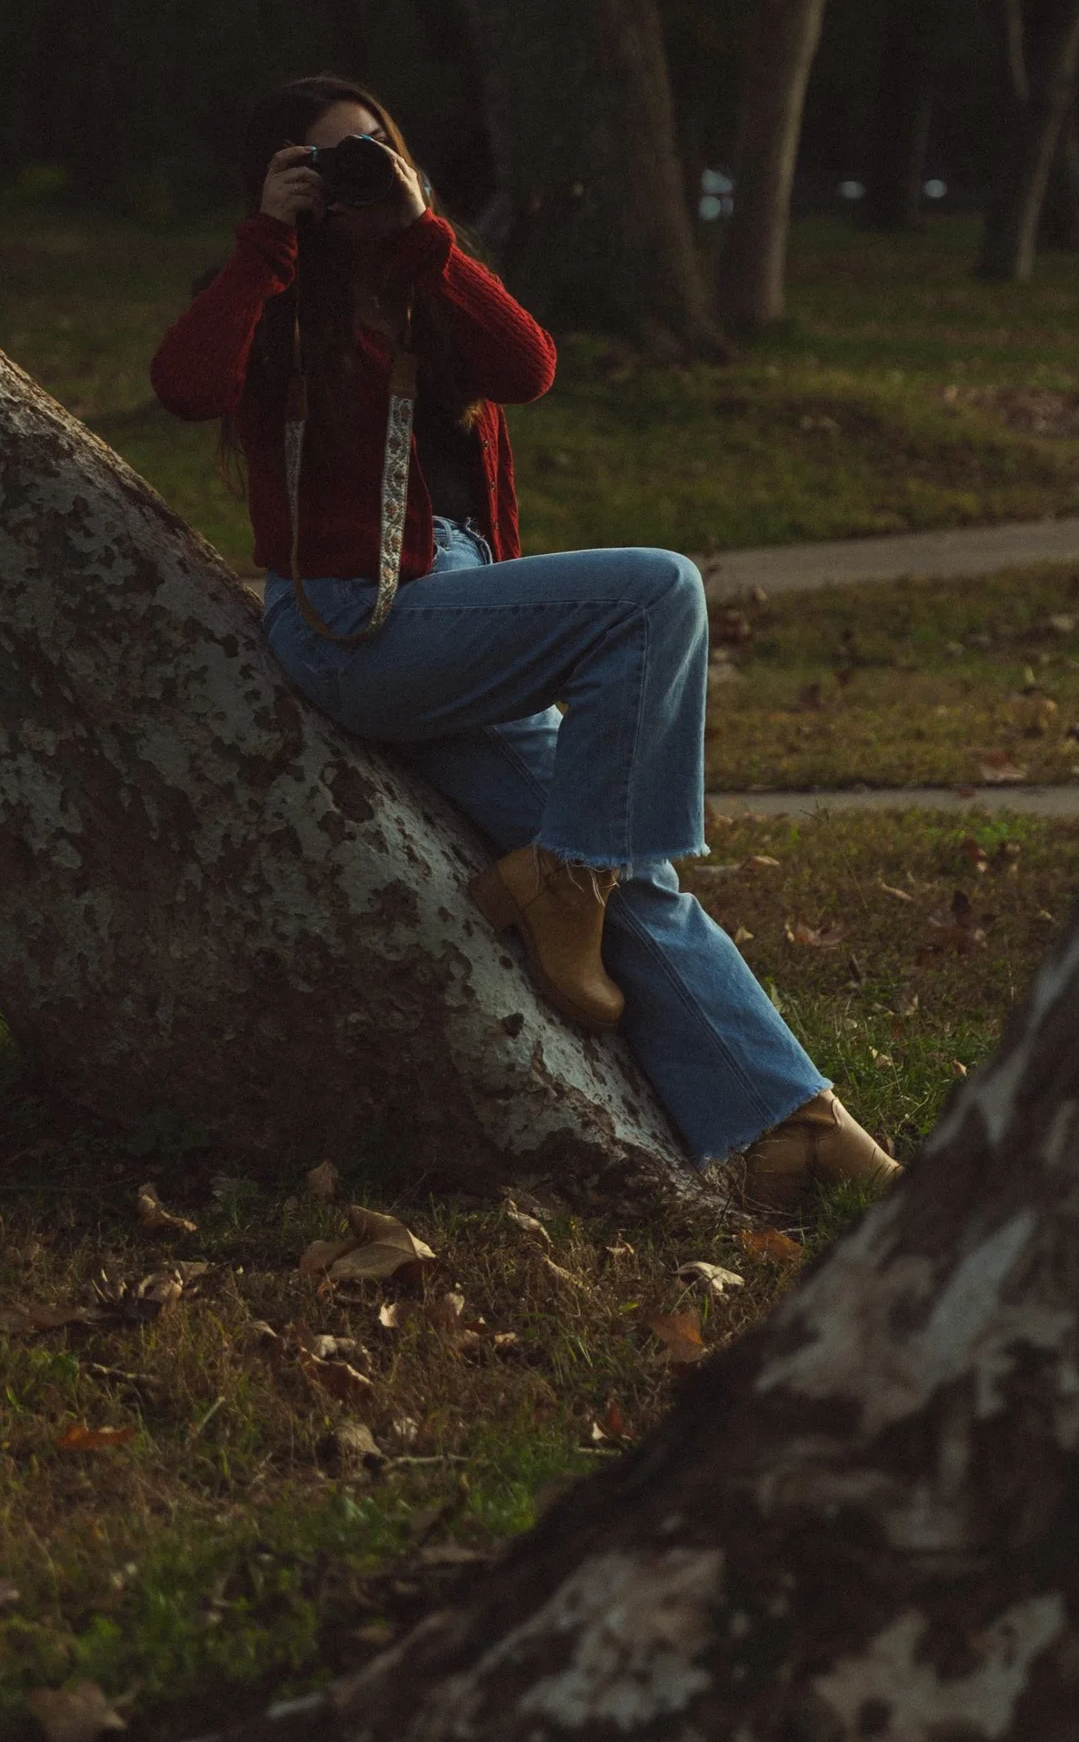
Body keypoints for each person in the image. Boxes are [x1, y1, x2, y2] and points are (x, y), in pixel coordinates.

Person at [149, 72, 898, 1212]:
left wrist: (422, 238)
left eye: (372, 155)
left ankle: (797, 1124)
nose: (352, 179)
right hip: (354, 623)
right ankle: (562, 881)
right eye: (325, 161)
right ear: (281, 176)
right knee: (655, 597)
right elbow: (183, 387)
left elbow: (530, 368)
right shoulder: (270, 295)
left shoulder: (423, 286)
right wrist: (269, 239)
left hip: (459, 615)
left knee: (622, 867)